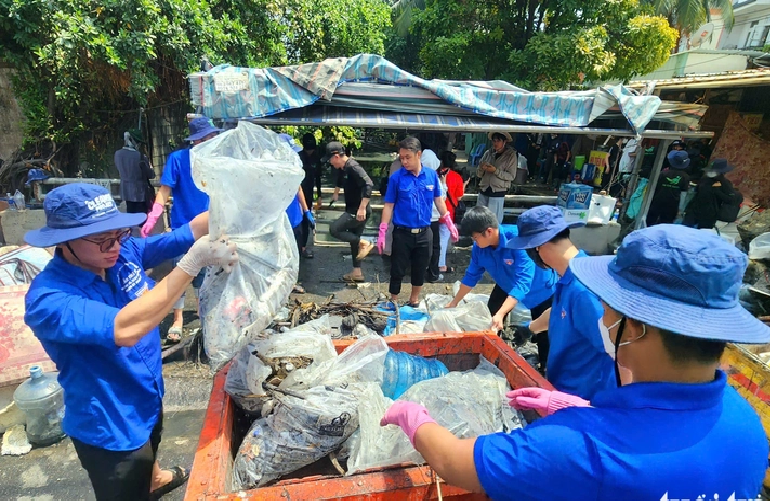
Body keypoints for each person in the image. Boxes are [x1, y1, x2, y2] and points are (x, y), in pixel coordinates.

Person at [380, 224, 769, 500]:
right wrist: (581, 407)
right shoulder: (747, 424)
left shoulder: (578, 448)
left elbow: (453, 461)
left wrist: (412, 414)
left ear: (633, 328)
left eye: (607, 307)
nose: (602, 317)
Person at [24, 184, 238, 500]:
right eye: (101, 238)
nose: (113, 245)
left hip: (147, 393)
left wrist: (239, 199)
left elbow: (187, 232)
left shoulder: (122, 253)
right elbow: (126, 328)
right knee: (128, 481)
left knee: (153, 441)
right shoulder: (50, 299)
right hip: (111, 422)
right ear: (64, 240)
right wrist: (191, 264)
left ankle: (156, 479)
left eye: (119, 233)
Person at [506, 205, 616, 398]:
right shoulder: (571, 273)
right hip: (563, 385)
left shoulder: (583, 290)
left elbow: (612, 348)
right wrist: (529, 328)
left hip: (581, 394)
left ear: (540, 245)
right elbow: (561, 311)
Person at [141, 116, 220, 341]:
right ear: (198, 140)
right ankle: (177, 319)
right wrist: (154, 213)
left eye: (213, 137)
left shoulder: (216, 162)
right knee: (180, 272)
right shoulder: (178, 159)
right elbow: (165, 190)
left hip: (211, 226)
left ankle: (205, 316)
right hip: (183, 226)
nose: (212, 141)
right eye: (208, 137)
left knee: (207, 275)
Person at [447, 206, 556, 367]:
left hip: (539, 289)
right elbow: (471, 276)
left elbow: (523, 282)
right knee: (490, 319)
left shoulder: (518, 241)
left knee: (543, 330)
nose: (474, 242)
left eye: (476, 238)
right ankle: (491, 356)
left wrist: (502, 312)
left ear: (489, 232)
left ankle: (546, 368)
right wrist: (454, 302)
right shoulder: (480, 248)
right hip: (505, 284)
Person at [378, 137, 459, 307]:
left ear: (418, 155)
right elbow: (389, 205)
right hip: (402, 231)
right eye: (401, 158)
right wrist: (383, 230)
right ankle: (393, 300)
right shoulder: (397, 178)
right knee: (397, 268)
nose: (404, 161)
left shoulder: (430, 175)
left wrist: (449, 223)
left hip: (424, 231)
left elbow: (439, 200)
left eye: (408, 157)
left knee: (420, 267)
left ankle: (414, 299)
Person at [324, 141, 375, 283]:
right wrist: (335, 194)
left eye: (329, 159)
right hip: (354, 209)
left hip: (358, 211)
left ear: (336, 156)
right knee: (353, 240)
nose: (330, 163)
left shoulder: (353, 166)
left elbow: (368, 184)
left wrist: (362, 207)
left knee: (334, 229)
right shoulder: (344, 168)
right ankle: (357, 273)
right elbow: (340, 180)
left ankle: (364, 242)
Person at [683, 158, 739, 230]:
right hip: (694, 209)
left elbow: (731, 200)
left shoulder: (725, 183)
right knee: (685, 229)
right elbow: (697, 192)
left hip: (709, 214)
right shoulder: (704, 179)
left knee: (702, 233)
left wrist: (718, 192)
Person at [476, 132, 517, 224]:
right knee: (479, 220)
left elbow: (511, 176)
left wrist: (495, 171)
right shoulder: (488, 153)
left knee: (494, 222)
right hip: (484, 189)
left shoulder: (511, 155)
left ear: (504, 141)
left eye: (498, 141)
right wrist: (482, 168)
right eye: (494, 141)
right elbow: (478, 174)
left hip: (498, 192)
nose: (495, 143)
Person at [114, 129, 155, 214]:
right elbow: (151, 175)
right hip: (140, 193)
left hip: (125, 192)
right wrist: (151, 168)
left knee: (130, 219)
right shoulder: (140, 156)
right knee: (141, 220)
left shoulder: (117, 154)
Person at [647, 150, 691, 227]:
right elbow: (683, 194)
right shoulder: (685, 177)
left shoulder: (663, 173)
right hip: (672, 204)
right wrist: (680, 209)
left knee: (650, 222)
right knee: (666, 225)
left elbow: (654, 187)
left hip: (657, 201)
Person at [422, 149, 444, 283]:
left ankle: (419, 272)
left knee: (421, 248)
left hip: (420, 221)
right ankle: (433, 274)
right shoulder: (437, 180)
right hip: (434, 220)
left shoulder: (418, 178)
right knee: (435, 247)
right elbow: (443, 198)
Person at [439, 151, 464, 274]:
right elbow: (459, 197)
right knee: (443, 240)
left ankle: (429, 263)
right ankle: (441, 265)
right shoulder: (457, 177)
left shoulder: (435, 174)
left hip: (433, 212)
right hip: (447, 213)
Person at [298, 133, 322, 257]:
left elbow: (318, 178)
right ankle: (297, 245)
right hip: (297, 193)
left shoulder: (316, 158)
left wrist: (319, 195)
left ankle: (303, 247)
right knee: (298, 220)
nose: (310, 152)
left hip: (309, 192)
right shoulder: (298, 157)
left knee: (306, 221)